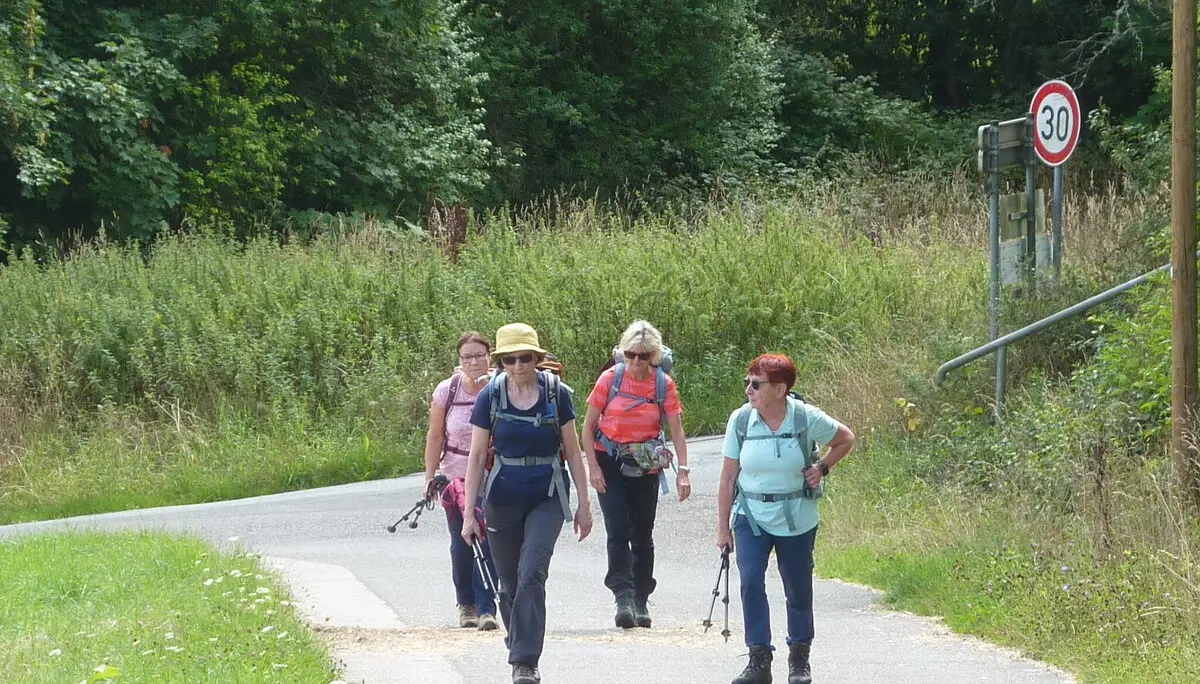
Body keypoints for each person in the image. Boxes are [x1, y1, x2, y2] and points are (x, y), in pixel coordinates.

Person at [461, 323, 593, 684]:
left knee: (532, 571)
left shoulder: (557, 394)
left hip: (546, 495)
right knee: (510, 583)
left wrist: (584, 504)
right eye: (510, 359)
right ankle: (520, 637)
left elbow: (573, 451)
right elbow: (475, 458)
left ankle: (525, 662)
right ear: (501, 361)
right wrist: (468, 514)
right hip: (502, 496)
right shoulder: (490, 396)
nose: (518, 365)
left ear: (537, 359)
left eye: (526, 358)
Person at [715, 354, 856, 684]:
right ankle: (759, 660)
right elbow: (726, 478)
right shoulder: (740, 421)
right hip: (750, 514)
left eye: (756, 384)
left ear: (780, 390)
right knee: (750, 581)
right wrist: (723, 527)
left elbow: (845, 438)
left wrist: (821, 467)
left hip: (797, 516)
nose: (748, 389)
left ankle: (799, 659)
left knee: (798, 587)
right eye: (747, 382)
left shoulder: (805, 418)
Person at [581, 320, 690, 629]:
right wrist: (593, 467)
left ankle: (641, 598)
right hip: (609, 461)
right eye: (631, 354)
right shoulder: (609, 379)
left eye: (644, 356)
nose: (636, 362)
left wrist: (683, 471)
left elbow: (677, 431)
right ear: (623, 353)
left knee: (642, 533)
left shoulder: (662, 384)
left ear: (654, 356)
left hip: (646, 464)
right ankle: (623, 596)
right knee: (617, 529)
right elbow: (587, 428)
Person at [423, 331, 499, 630]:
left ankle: (486, 608)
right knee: (460, 542)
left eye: (479, 355)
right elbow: (436, 435)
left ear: (489, 356)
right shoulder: (447, 391)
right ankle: (466, 603)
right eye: (467, 357)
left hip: (492, 475)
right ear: (459, 360)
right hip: (454, 476)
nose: (474, 361)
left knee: (489, 540)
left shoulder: (499, 387)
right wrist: (430, 476)